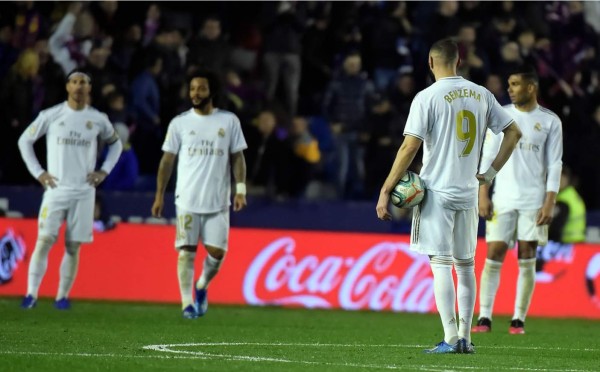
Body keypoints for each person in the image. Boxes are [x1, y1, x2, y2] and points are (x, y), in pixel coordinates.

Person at [375, 38, 522, 354]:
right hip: (468, 192)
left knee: (441, 265)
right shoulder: (481, 94)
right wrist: (491, 173)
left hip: (437, 193)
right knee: (466, 266)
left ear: (430, 62)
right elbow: (513, 132)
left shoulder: (426, 97)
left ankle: (451, 337)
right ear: (459, 62)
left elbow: (409, 146)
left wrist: (387, 188)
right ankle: (466, 339)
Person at [17, 69, 123, 310]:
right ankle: (31, 294)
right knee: (44, 241)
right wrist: (38, 172)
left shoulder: (97, 118)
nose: (78, 86)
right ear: (67, 87)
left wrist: (103, 171)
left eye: (83, 82)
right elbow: (25, 140)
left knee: (73, 246)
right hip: (56, 189)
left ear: (89, 89)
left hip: (84, 192)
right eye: (74, 82)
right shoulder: (52, 115)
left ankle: (61, 296)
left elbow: (116, 144)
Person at [473, 65, 563, 335]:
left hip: (534, 201)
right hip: (503, 199)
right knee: (494, 253)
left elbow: (555, 164)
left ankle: (518, 320)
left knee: (527, 256)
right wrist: (483, 194)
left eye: (515, 84)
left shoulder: (550, 121)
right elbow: (487, 157)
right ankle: (485, 318)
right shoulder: (501, 116)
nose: (509, 89)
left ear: (531, 88)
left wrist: (549, 202)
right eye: (509, 84)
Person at [151, 71, 248, 319]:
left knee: (217, 254)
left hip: (217, 202)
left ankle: (202, 285)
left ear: (211, 92)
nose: (195, 93)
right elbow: (166, 161)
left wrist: (240, 189)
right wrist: (159, 195)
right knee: (186, 252)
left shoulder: (228, 121)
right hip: (187, 200)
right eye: (192, 88)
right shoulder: (179, 123)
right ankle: (186, 304)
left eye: (201, 89)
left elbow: (238, 157)